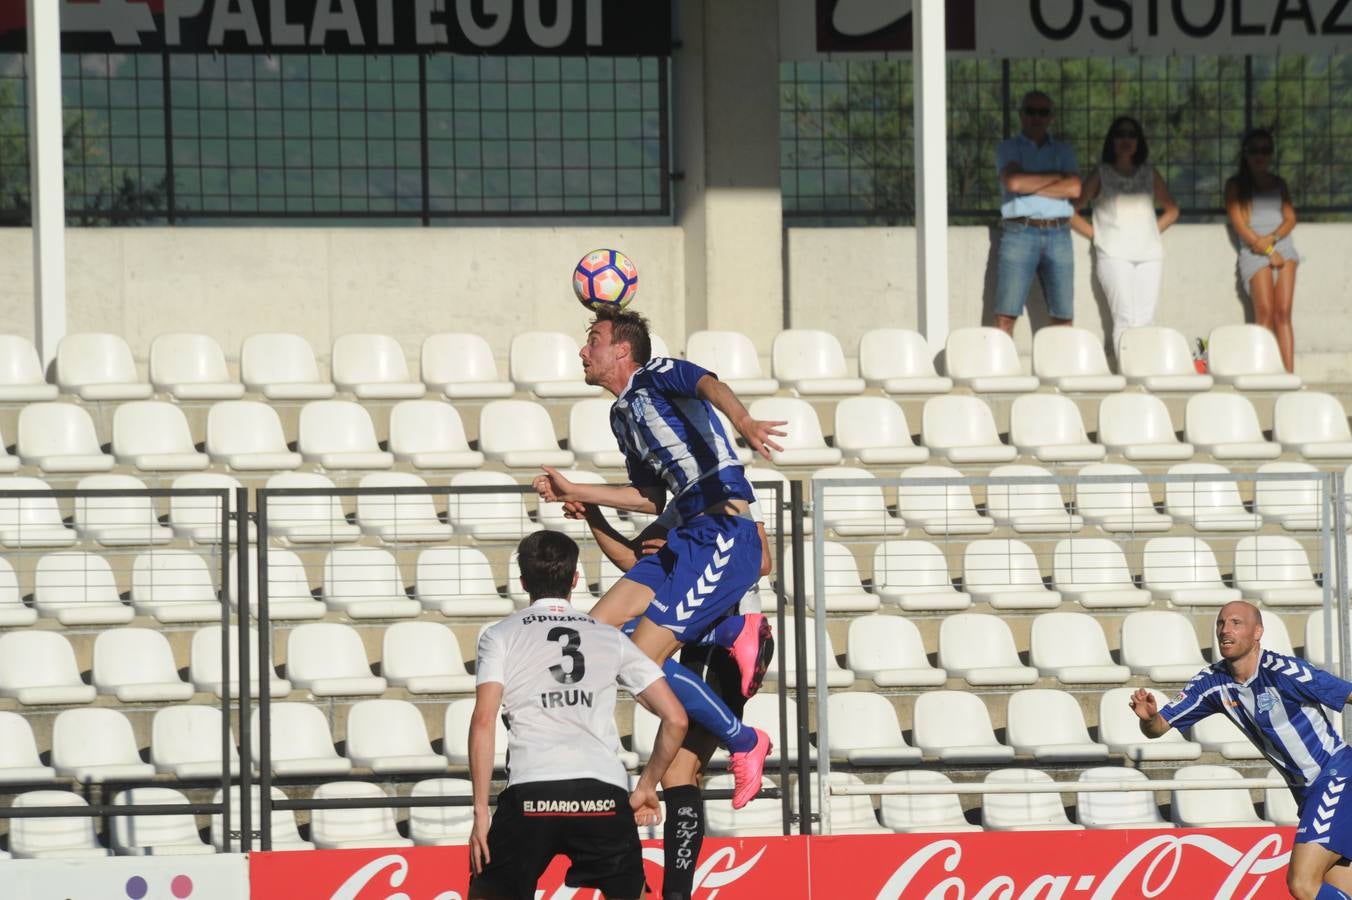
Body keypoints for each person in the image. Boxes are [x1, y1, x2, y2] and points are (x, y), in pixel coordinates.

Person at [533, 306, 785, 812]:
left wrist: (744, 421)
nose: (584, 351)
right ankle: (727, 632)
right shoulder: (619, 414)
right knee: (596, 638)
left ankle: (744, 741)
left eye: (593, 340)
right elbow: (651, 498)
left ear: (622, 350)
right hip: (690, 530)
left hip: (722, 530)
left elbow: (708, 383)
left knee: (642, 659)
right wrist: (578, 492)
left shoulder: (657, 374)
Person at [563, 495, 775, 900]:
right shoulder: (681, 504)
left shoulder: (730, 495)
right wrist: (594, 516)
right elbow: (637, 567)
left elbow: (761, 562)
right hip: (685, 641)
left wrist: (680, 545)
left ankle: (677, 895)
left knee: (681, 772)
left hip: (732, 635)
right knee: (617, 643)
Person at [468, 530, 689, 900]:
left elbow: (483, 721)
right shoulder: (609, 636)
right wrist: (647, 786)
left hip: (532, 791)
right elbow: (677, 719)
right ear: (574, 579)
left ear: (522, 581)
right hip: (601, 793)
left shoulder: (499, 635)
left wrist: (480, 813)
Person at [1130, 601, 1352, 900]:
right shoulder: (1212, 682)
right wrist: (1150, 719)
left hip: (1335, 776)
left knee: (1301, 883)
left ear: (1257, 632)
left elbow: (1346, 692)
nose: (1225, 629)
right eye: (1221, 623)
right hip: (1307, 792)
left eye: (1236, 622)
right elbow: (1159, 728)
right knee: (1336, 888)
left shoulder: (1285, 672)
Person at [1070, 115, 1179, 350]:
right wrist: (1097, 235)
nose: (1126, 139)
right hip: (1114, 254)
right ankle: (1128, 376)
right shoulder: (1101, 173)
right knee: (1125, 319)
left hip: (1150, 255)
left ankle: (1144, 372)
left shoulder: (1149, 172)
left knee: (1146, 320)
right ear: (1111, 140)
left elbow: (1172, 210)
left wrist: (1151, 230)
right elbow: (1071, 212)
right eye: (1120, 134)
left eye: (1132, 134)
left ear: (1139, 141)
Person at [994, 90, 1082, 336]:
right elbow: (1013, 183)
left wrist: (1028, 181)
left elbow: (1074, 188)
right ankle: (1002, 373)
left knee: (1063, 318)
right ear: (1021, 115)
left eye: (1043, 112)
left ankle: (1060, 373)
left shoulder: (1064, 151)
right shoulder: (1008, 148)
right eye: (1031, 111)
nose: (1037, 117)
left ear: (1051, 117)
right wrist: (1056, 176)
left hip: (1059, 233)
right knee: (1005, 317)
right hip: (1019, 232)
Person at [1226, 128, 1300, 373]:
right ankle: (1262, 372)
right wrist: (1269, 250)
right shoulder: (1235, 186)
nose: (1260, 156)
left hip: (1283, 249)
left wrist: (1274, 238)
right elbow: (1240, 226)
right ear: (1245, 154)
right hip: (1255, 253)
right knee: (1265, 313)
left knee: (1283, 314)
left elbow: (1290, 219)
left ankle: (1290, 375)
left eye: (1266, 150)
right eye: (1255, 150)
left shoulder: (1279, 184)